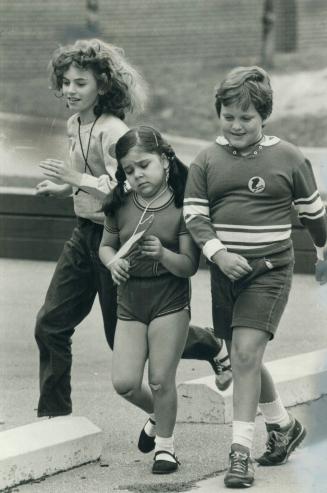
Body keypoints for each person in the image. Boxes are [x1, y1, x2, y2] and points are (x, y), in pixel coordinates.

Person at [34, 38, 232, 419]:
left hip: (118, 239)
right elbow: (93, 178)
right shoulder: (76, 123)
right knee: (50, 323)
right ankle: (54, 417)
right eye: (65, 82)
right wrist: (63, 187)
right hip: (84, 236)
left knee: (122, 337)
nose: (69, 90)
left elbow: (119, 186)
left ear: (103, 86)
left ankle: (210, 344)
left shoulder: (113, 130)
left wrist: (74, 176)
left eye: (80, 83)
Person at [183, 66, 327, 488]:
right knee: (247, 356)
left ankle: (239, 453)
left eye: (246, 118)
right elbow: (194, 214)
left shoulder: (289, 158)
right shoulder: (207, 159)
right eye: (228, 116)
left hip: (270, 271)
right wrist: (219, 253)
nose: (236, 125)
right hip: (225, 273)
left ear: (264, 115)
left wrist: (323, 252)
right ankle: (283, 426)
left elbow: (314, 216)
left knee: (244, 353)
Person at [99, 125, 199, 474]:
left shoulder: (182, 206)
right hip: (130, 301)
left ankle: (166, 448)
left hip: (169, 300)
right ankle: (158, 415)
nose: (137, 174)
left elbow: (189, 265)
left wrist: (162, 255)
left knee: (159, 379)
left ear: (165, 160)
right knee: (124, 382)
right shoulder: (120, 205)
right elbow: (106, 246)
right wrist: (113, 263)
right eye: (129, 170)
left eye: (144, 165)